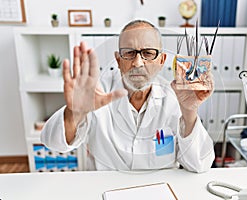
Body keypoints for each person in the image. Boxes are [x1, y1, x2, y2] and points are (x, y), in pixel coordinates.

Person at [41, 19, 215, 173]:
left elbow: (200, 164)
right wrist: (75, 112)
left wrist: (189, 112)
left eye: (148, 53)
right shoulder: (96, 93)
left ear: (161, 61)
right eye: (129, 53)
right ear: (118, 60)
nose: (138, 63)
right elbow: (53, 143)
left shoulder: (176, 96)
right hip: (104, 189)